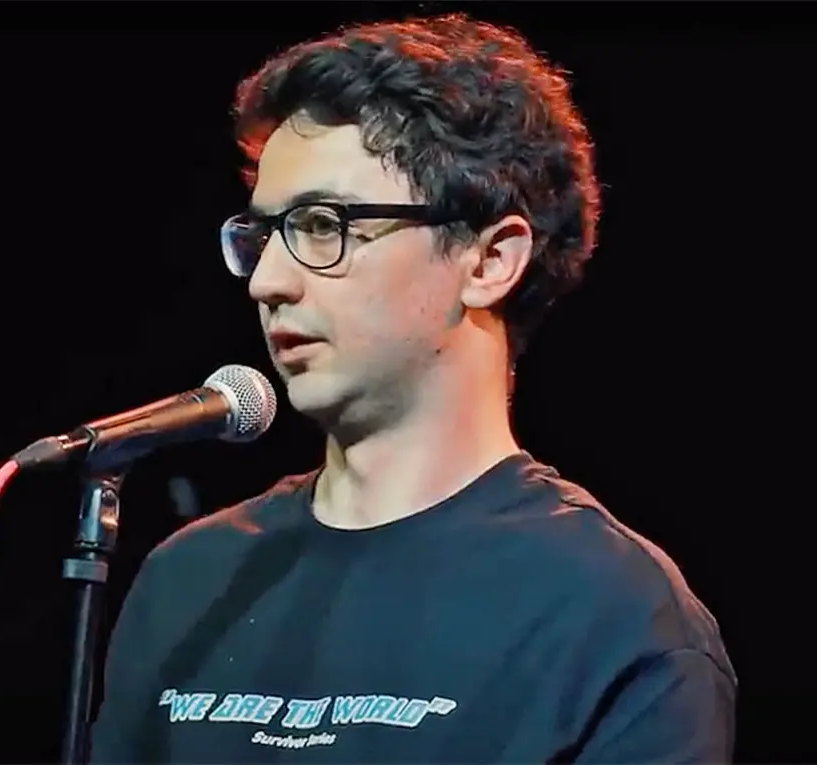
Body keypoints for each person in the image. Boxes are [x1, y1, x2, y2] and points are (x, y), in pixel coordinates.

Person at [89, 12, 736, 764]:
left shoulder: (612, 614)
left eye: (324, 224)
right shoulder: (188, 582)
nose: (268, 280)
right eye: (264, 235)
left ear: (490, 259)